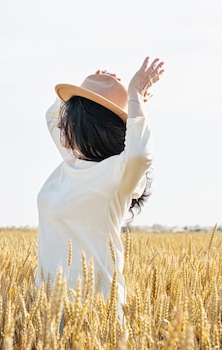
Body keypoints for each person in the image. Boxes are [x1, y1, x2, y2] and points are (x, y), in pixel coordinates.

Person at [37, 56, 165, 317]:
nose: (59, 123)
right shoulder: (72, 161)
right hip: (48, 309)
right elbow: (51, 116)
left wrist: (135, 97)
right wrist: (88, 90)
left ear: (86, 125)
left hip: (95, 313)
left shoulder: (116, 175)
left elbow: (140, 154)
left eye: (68, 118)